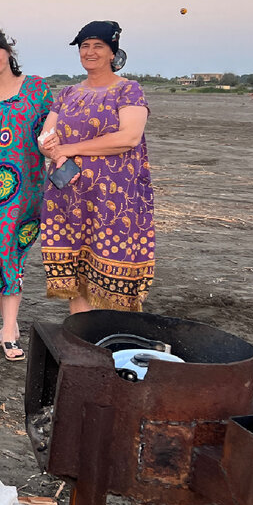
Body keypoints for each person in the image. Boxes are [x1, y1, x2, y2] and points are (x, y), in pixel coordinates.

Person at [37, 21, 154, 313]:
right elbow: (46, 136)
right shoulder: (67, 93)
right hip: (69, 194)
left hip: (114, 198)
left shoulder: (128, 90)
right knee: (77, 271)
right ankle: (82, 339)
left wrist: (70, 149)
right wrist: (50, 149)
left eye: (98, 46)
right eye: (85, 46)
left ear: (112, 52)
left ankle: (110, 341)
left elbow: (128, 137)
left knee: (111, 266)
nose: (90, 52)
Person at [0, 27, 51, 361]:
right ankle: (8, 327)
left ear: (8, 50)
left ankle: (11, 331)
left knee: (8, 252)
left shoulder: (37, 88)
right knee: (0, 254)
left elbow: (52, 131)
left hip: (27, 187)